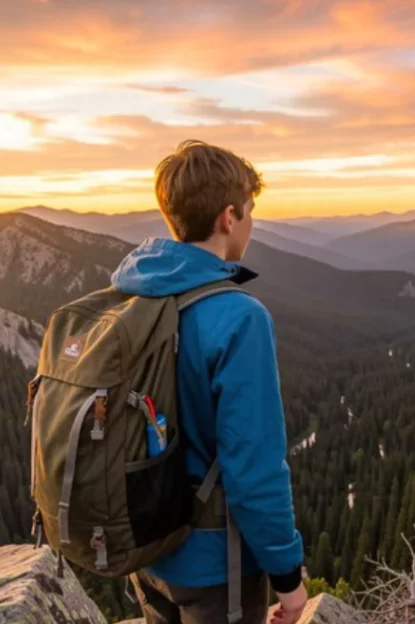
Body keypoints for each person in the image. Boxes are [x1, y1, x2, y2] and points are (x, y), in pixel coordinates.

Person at [111, 140, 307, 624]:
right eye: (250, 212)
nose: (252, 223)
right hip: (216, 565)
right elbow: (254, 468)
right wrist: (289, 578)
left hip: (148, 549)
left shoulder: (132, 299)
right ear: (228, 217)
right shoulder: (240, 317)